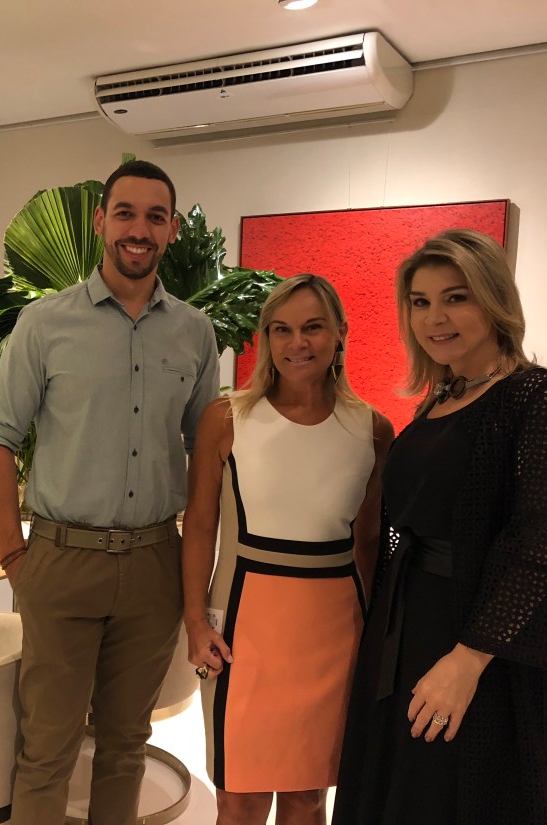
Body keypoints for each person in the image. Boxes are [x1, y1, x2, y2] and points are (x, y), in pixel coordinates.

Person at [0, 159, 220, 825]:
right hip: (62, 560)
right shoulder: (45, 324)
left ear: (172, 229)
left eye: (155, 216)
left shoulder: (194, 333)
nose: (139, 229)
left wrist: (196, 582)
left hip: (153, 564)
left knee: (125, 745)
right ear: (100, 221)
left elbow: (206, 453)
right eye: (126, 213)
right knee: (48, 748)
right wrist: (15, 557)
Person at [332, 229, 547, 825]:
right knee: (405, 789)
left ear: (494, 298)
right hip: (411, 624)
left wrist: (469, 659)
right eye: (420, 302)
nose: (435, 317)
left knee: (459, 794)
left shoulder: (545, 399)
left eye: (456, 297)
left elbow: (543, 542)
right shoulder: (440, 398)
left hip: (486, 642)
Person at [182, 274, 393, 825]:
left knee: (308, 796)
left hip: (333, 634)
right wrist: (195, 621)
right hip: (241, 629)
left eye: (312, 328)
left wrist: (379, 637)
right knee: (239, 798)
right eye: (282, 330)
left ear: (340, 333)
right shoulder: (226, 418)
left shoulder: (372, 429)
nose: (297, 343)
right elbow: (200, 526)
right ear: (266, 338)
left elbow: (369, 542)